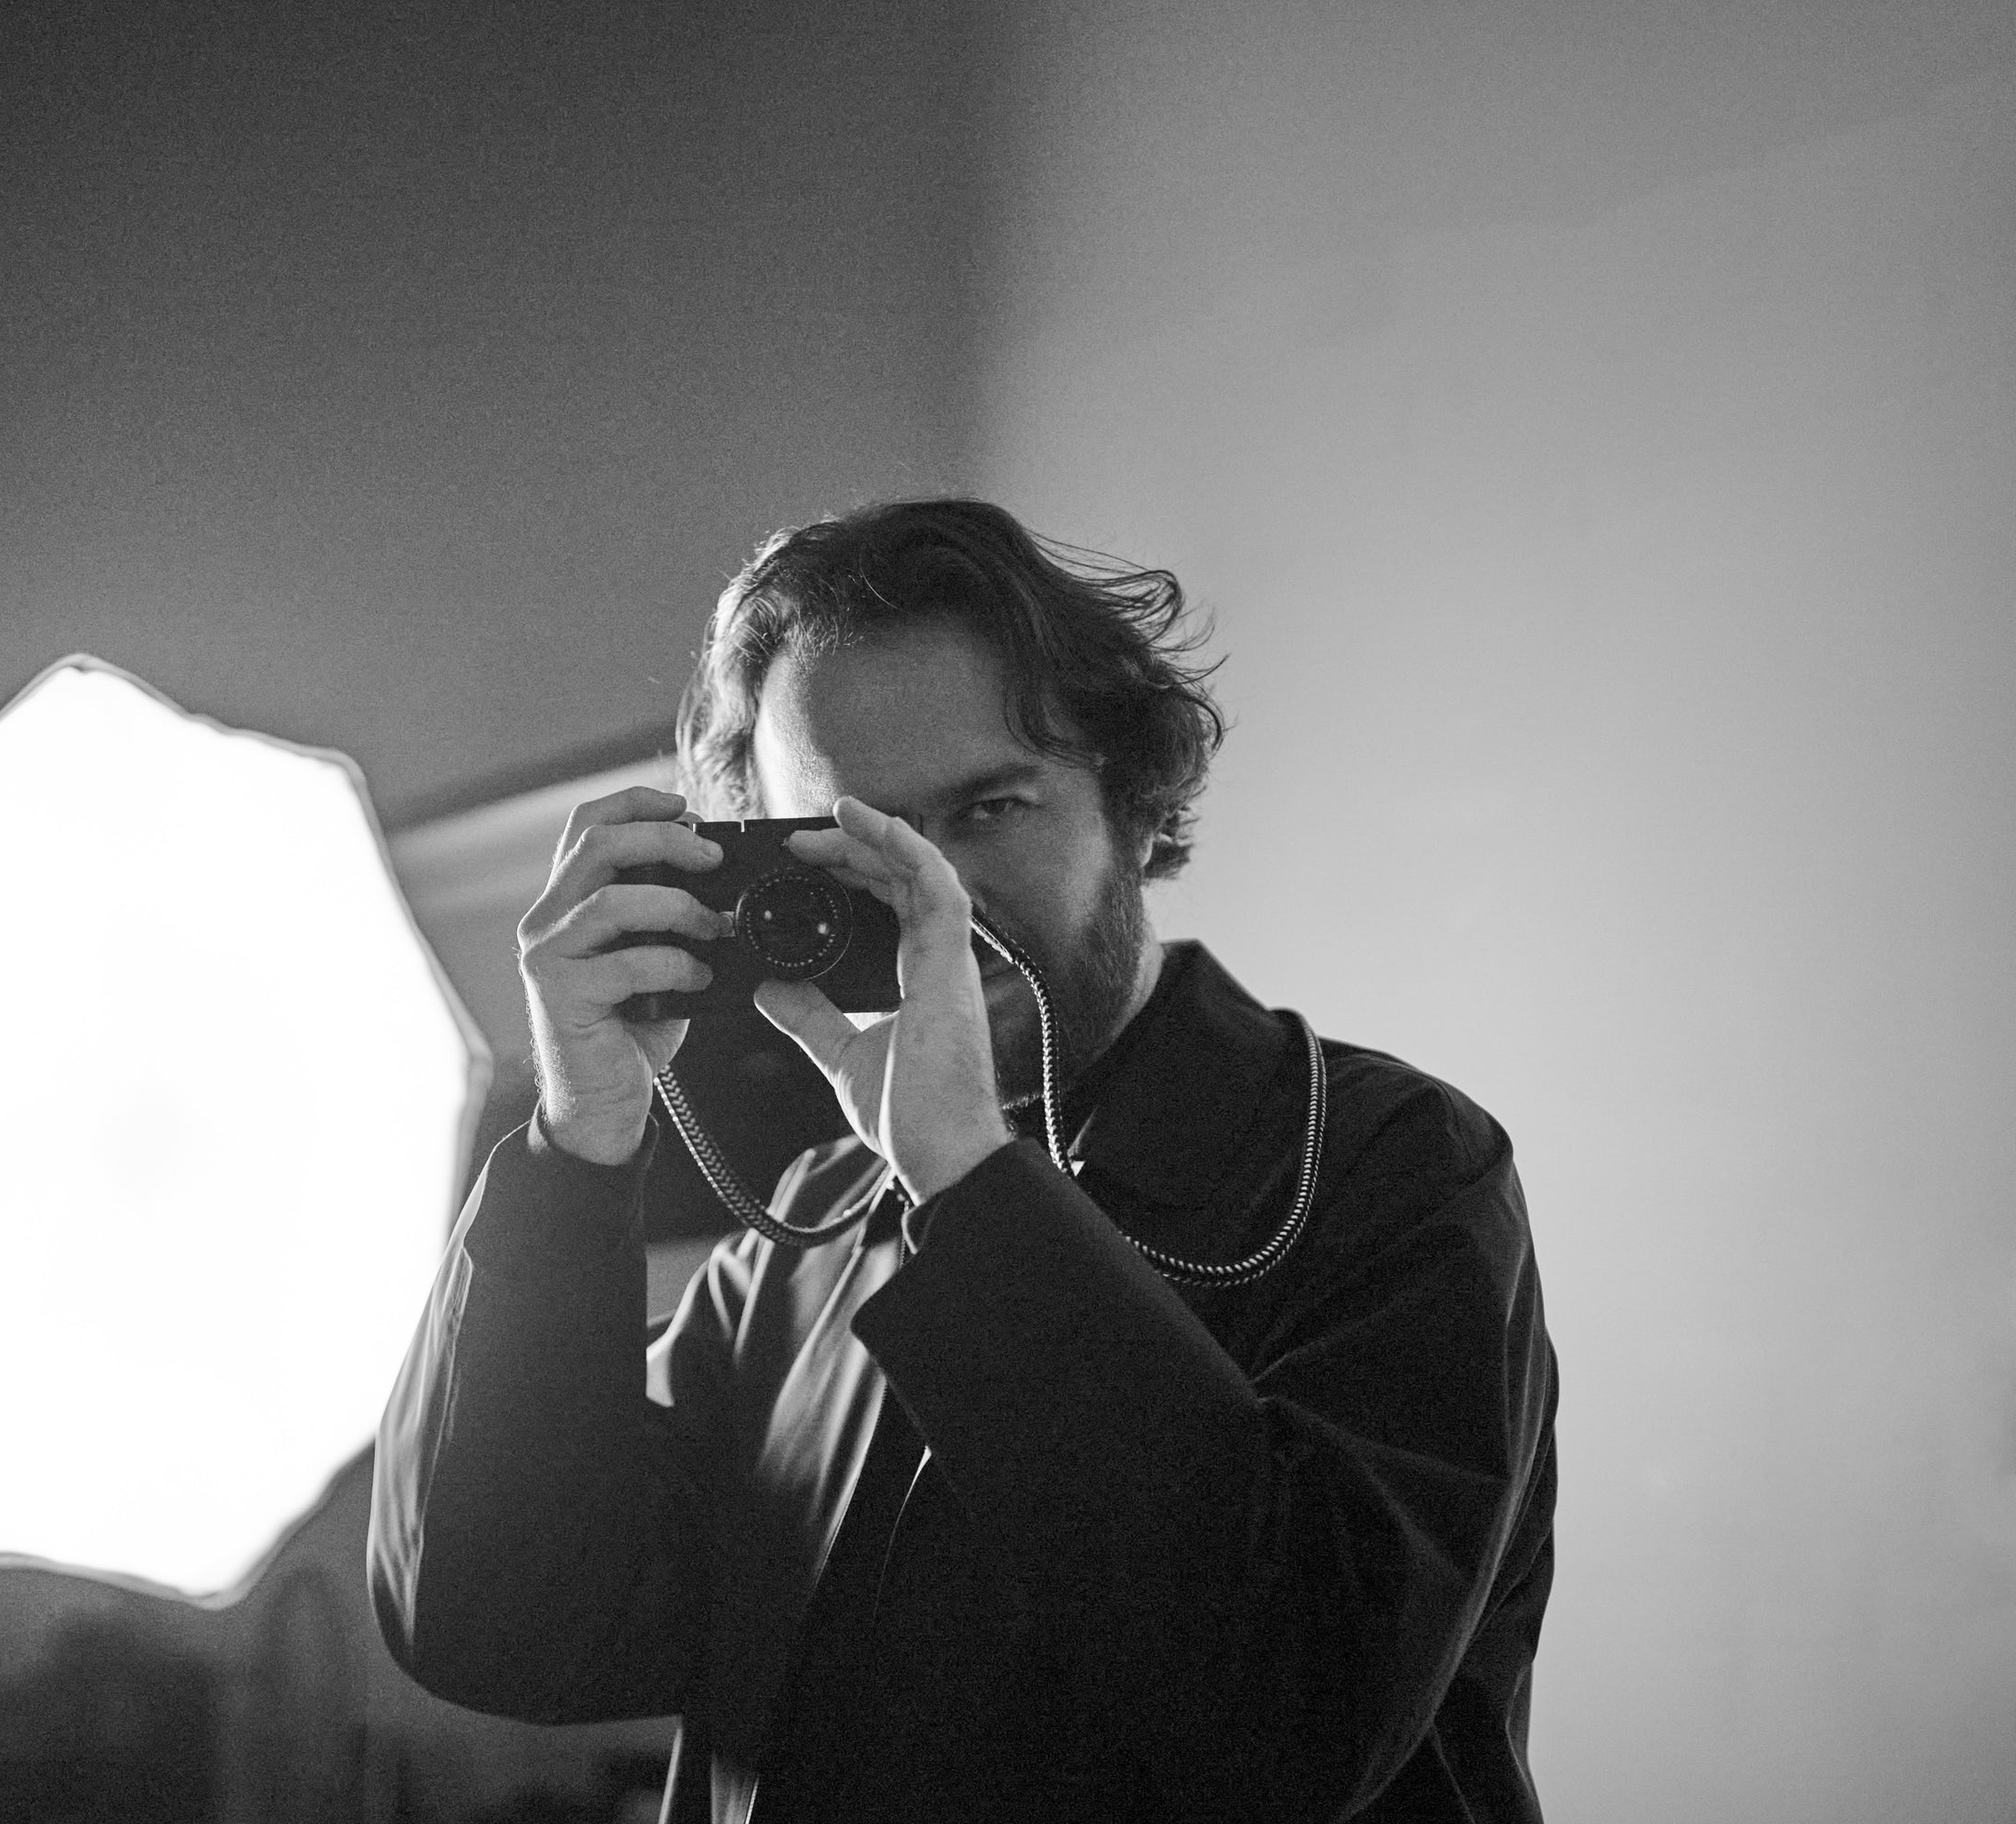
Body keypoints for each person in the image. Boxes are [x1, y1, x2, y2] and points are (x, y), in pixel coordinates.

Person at [368, 499, 1557, 1822]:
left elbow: (1294, 1721)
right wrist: (575, 1146)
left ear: (1134, 804)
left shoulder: (1387, 1164)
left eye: (990, 809)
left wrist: (974, 1185)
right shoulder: (811, 1228)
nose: (937, 896)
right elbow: (500, 1624)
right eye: (858, 842)